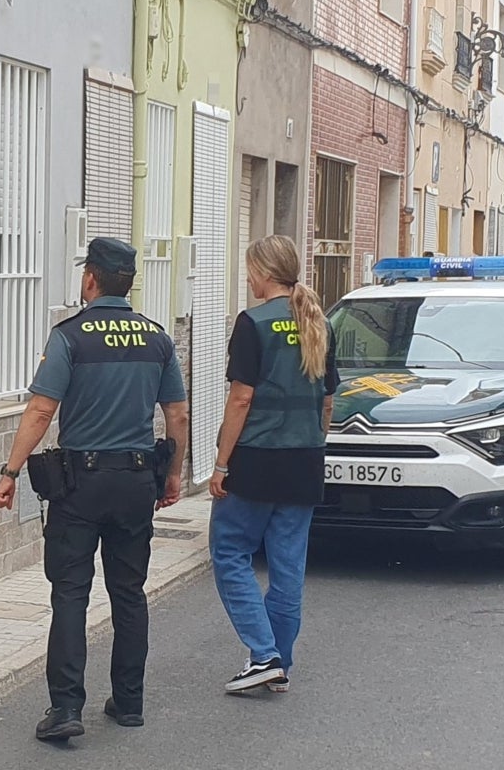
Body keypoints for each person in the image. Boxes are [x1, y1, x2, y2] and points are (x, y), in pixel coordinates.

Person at [0, 236, 189, 742]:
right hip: (134, 483)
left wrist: (11, 472)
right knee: (128, 593)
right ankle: (129, 702)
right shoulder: (157, 338)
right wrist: (172, 475)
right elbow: (177, 415)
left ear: (90, 278)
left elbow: (40, 410)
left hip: (80, 486)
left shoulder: (70, 337)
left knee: (71, 595)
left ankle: (65, 709)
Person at [208, 234, 339, 694]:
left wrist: (221, 464)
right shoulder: (318, 323)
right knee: (287, 568)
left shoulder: (253, 323)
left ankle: (263, 655)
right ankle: (279, 662)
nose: (248, 278)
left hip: (257, 460)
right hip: (304, 460)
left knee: (230, 554)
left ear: (263, 273)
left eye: (250, 269)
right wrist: (311, 441)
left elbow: (241, 398)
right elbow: (327, 399)